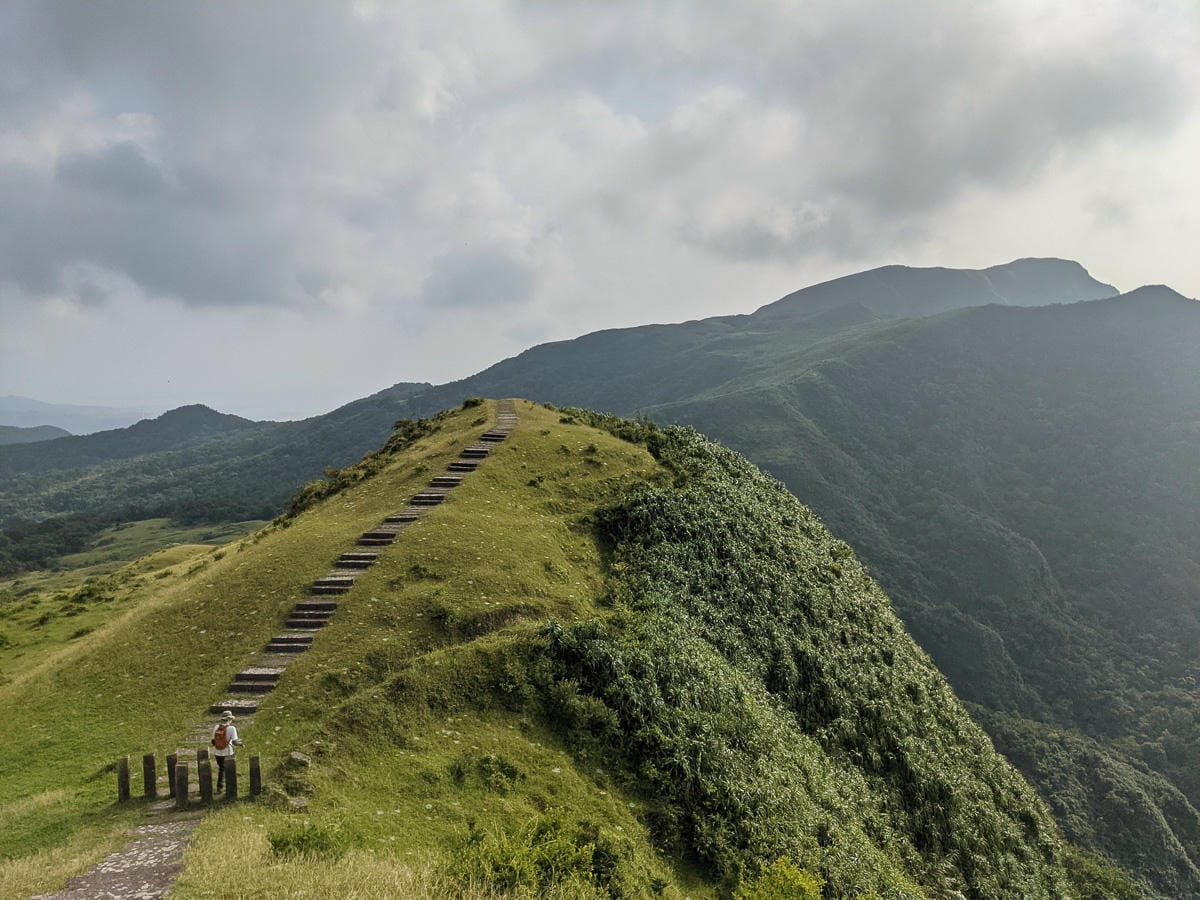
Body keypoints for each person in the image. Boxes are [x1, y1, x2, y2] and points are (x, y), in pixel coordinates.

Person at [212, 710, 243, 791]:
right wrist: (241, 744)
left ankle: (220, 786)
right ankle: (231, 787)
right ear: (230, 719)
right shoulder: (232, 728)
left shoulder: (216, 727)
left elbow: (213, 741)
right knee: (230, 769)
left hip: (217, 753)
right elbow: (235, 742)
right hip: (228, 752)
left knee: (221, 769)